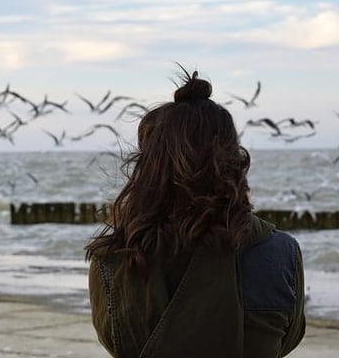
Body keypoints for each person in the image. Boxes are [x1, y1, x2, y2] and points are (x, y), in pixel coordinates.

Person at [84, 66, 306, 358]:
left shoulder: (113, 258)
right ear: (232, 160)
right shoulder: (281, 253)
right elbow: (289, 338)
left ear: (148, 167)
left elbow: (113, 341)